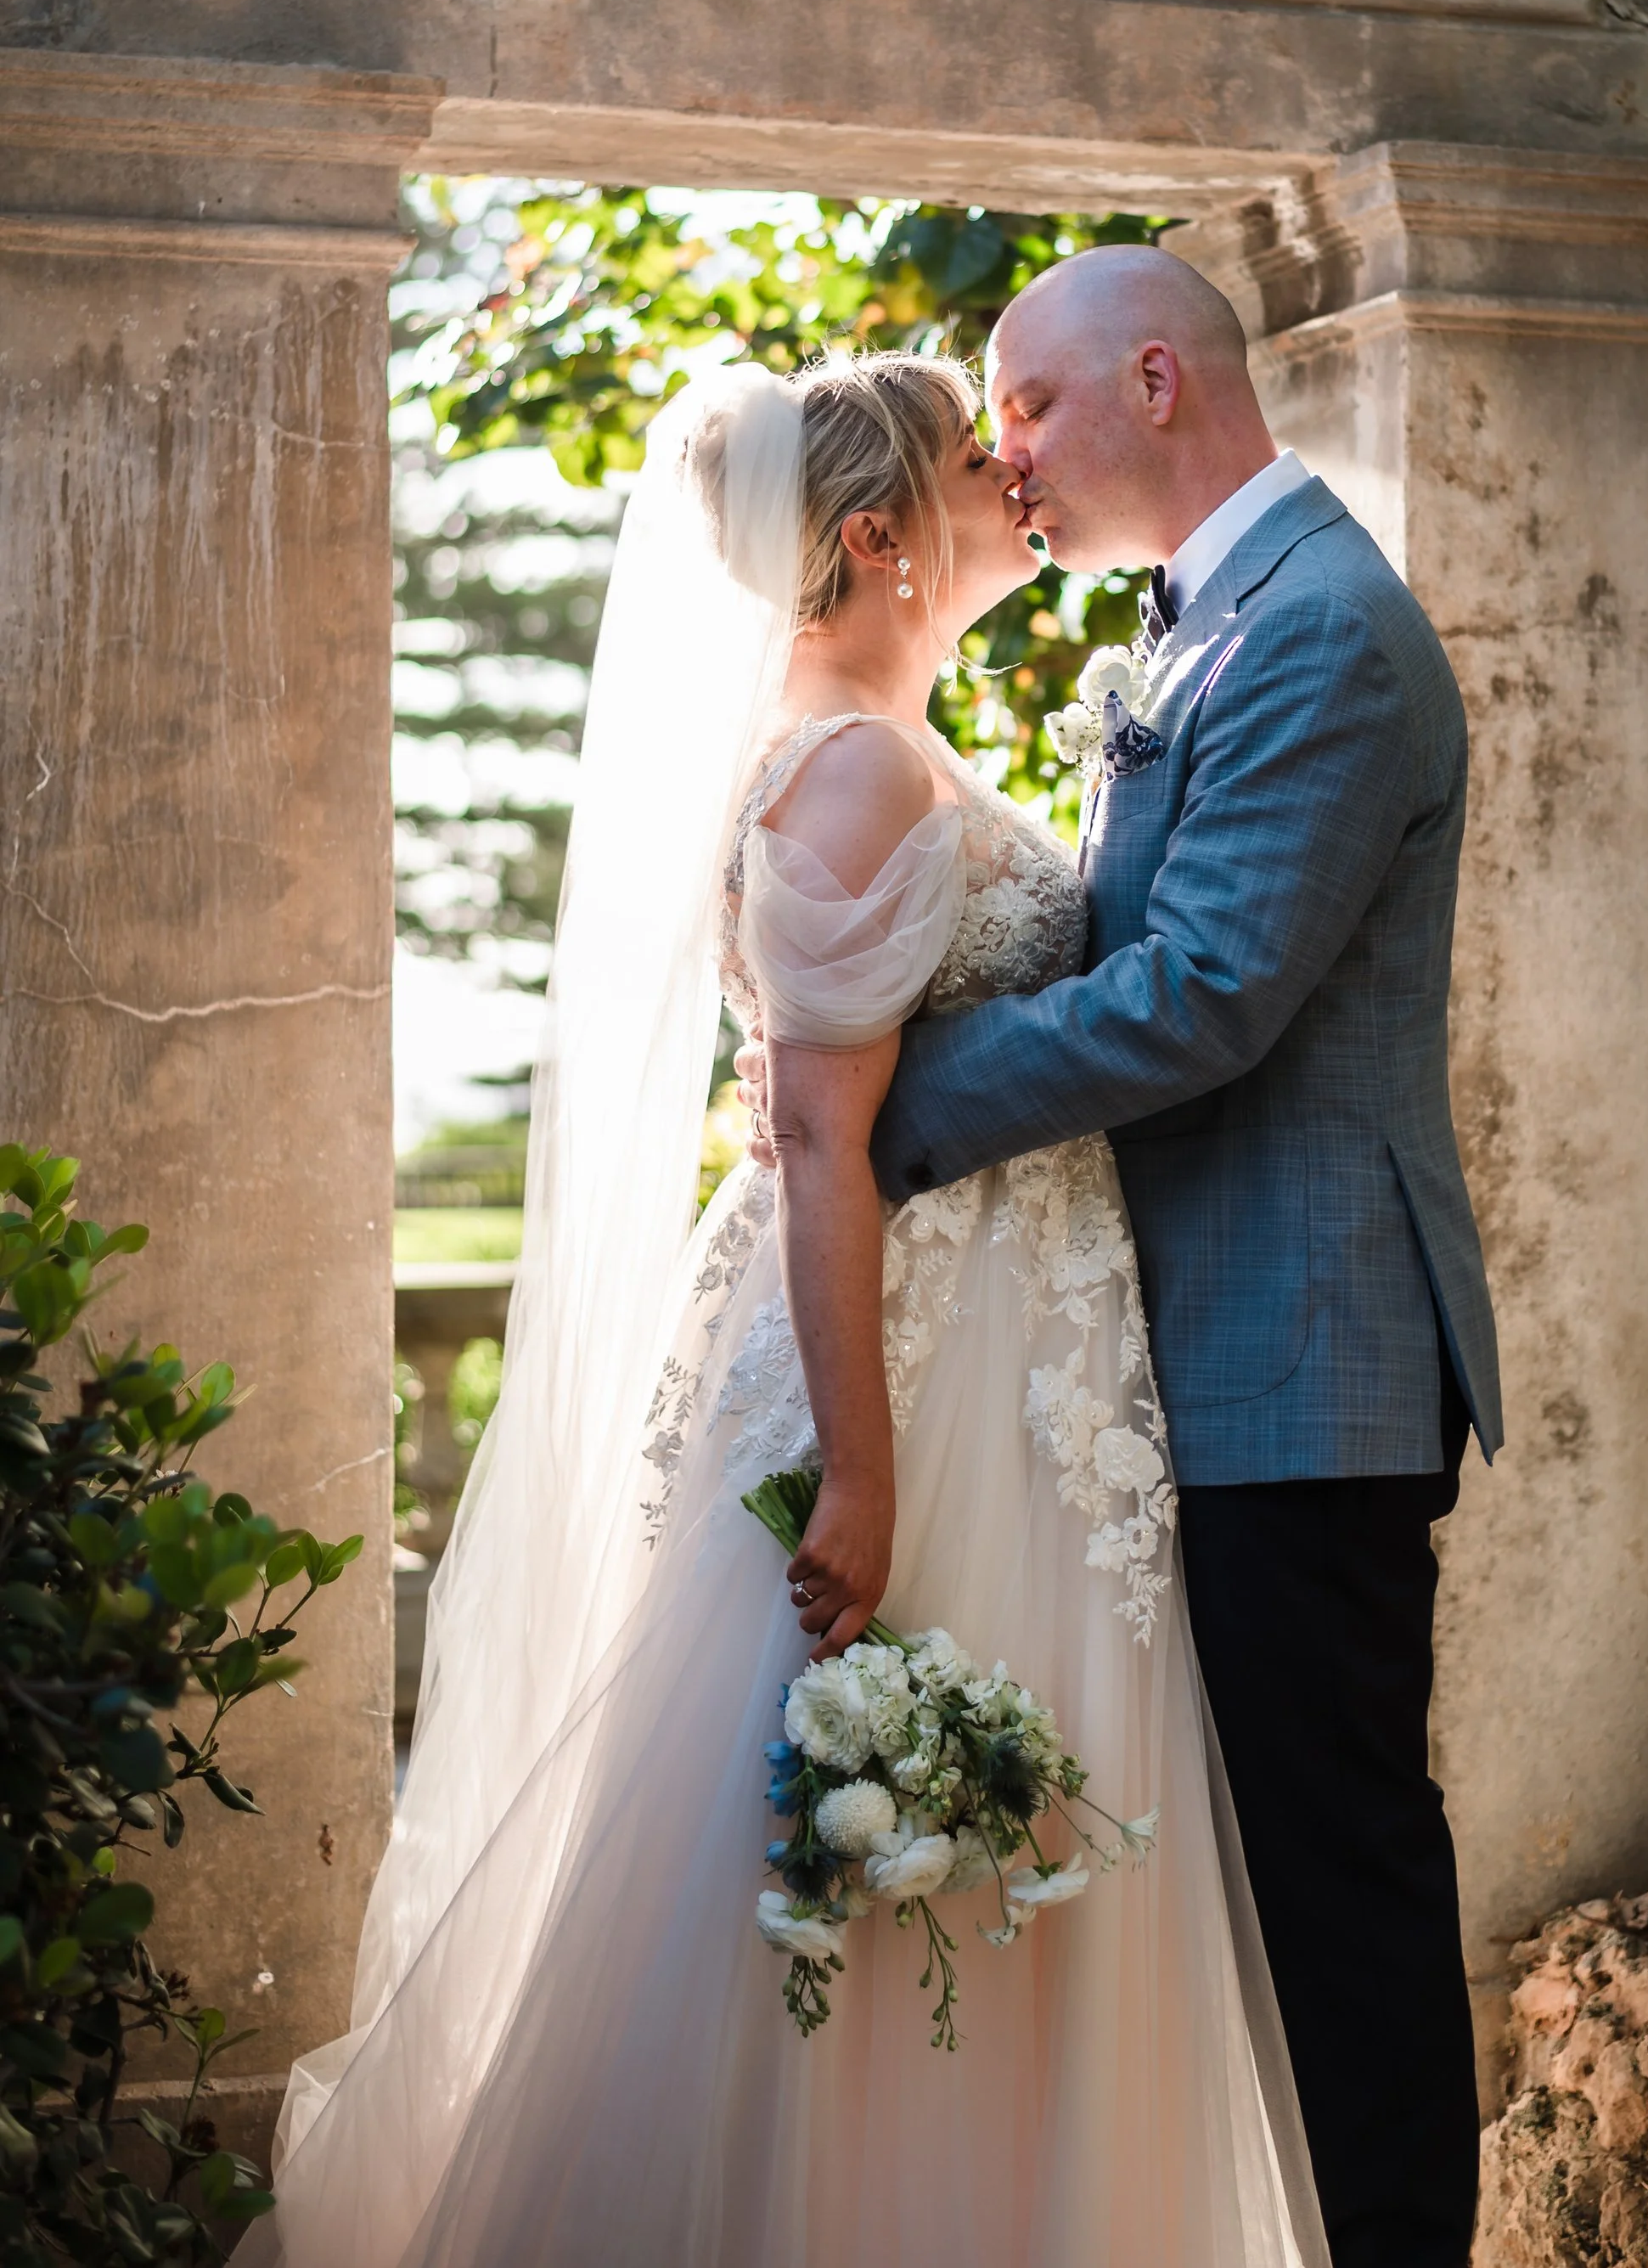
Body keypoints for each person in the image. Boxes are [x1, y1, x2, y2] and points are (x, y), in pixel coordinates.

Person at [239, 345, 1330, 2268]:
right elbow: (824, 1150)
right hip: (908, 1372)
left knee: (998, 1866)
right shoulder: (847, 774)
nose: (1014, 472)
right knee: (864, 1859)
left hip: (1014, 1362)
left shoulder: (883, 741)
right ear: (874, 534)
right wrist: (863, 1473)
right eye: (969, 460)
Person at [751, 247, 1504, 2267]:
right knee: (1234, 1907)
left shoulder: (1322, 629)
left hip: (1301, 1357)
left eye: (1032, 407)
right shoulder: (1204, 624)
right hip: (1174, 1369)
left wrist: (883, 1114)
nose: (1005, 456)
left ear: (1155, 379)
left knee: (1329, 1888)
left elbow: (1205, 995)